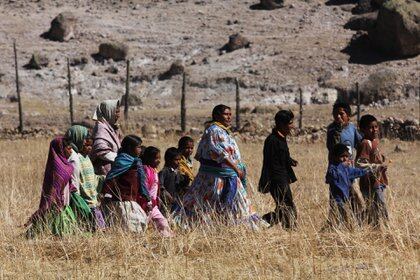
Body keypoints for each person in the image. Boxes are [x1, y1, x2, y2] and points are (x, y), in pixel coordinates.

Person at [180, 104, 263, 228]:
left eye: (230, 114)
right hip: (217, 176)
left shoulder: (222, 130)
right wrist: (235, 167)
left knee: (236, 204)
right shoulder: (214, 130)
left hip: (225, 174)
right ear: (216, 115)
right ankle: (213, 226)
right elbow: (219, 153)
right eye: (226, 114)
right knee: (208, 202)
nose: (229, 117)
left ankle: (231, 227)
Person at [25, 137, 77, 237]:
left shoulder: (67, 164)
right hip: (56, 205)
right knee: (55, 230)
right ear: (61, 149)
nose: (71, 151)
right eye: (68, 148)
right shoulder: (57, 167)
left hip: (65, 204)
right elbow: (53, 190)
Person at [101, 135, 150, 233]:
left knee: (139, 224)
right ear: (129, 148)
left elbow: (141, 182)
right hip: (123, 200)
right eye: (138, 147)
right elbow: (112, 177)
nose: (140, 149)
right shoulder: (122, 160)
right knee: (132, 227)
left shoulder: (136, 162)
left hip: (131, 200)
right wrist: (105, 193)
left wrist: (146, 197)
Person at [259, 110, 298, 230]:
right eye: (290, 123)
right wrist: (277, 182)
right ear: (281, 124)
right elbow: (270, 163)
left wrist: (289, 160)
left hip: (283, 178)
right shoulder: (272, 140)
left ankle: (263, 223)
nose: (292, 126)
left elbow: (280, 156)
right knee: (287, 206)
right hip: (277, 180)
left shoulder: (281, 138)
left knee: (285, 207)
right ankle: (263, 223)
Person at [65, 125, 106, 231]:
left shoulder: (86, 157)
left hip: (91, 197)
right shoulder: (74, 157)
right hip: (82, 198)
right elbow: (75, 180)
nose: (86, 146)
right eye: (84, 142)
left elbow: (91, 177)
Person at [356, 114, 389, 228]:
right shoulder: (365, 143)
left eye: (376, 127)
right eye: (371, 127)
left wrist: (381, 158)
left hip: (378, 180)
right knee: (378, 205)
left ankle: (377, 227)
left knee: (377, 205)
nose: (374, 129)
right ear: (362, 129)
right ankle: (382, 227)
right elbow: (360, 164)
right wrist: (376, 167)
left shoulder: (374, 141)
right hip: (369, 182)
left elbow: (373, 156)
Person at [325, 144, 368, 228]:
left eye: (346, 156)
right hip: (337, 201)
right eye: (342, 156)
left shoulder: (346, 169)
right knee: (337, 221)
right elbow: (329, 179)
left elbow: (356, 172)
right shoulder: (332, 169)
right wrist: (342, 167)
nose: (345, 158)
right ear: (335, 156)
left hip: (346, 200)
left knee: (345, 221)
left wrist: (370, 169)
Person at [140, 146, 173, 237]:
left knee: (162, 222)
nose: (158, 161)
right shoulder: (145, 170)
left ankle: (167, 239)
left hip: (153, 205)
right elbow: (145, 187)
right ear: (148, 158)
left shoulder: (154, 170)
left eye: (159, 158)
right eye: (156, 158)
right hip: (145, 204)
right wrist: (148, 202)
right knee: (142, 225)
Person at [91, 99, 122, 175]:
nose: (118, 115)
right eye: (116, 112)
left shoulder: (111, 127)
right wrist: (121, 158)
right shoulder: (101, 128)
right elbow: (101, 152)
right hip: (104, 172)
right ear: (108, 111)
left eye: (118, 112)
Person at [159, 147, 189, 214]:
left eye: (179, 160)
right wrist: (167, 195)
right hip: (165, 201)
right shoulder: (164, 172)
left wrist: (186, 179)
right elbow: (160, 186)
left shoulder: (178, 172)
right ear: (169, 160)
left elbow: (181, 185)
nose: (178, 162)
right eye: (176, 160)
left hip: (176, 201)